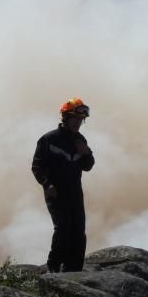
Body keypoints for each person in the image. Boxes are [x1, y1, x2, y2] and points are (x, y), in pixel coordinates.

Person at [31, 97, 95, 272]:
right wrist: (47, 185)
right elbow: (37, 166)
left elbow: (88, 166)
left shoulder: (81, 140)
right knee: (63, 230)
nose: (78, 123)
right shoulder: (49, 139)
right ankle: (52, 268)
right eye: (75, 118)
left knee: (79, 233)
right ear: (65, 118)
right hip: (56, 194)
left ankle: (73, 272)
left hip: (75, 194)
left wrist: (86, 153)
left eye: (81, 120)